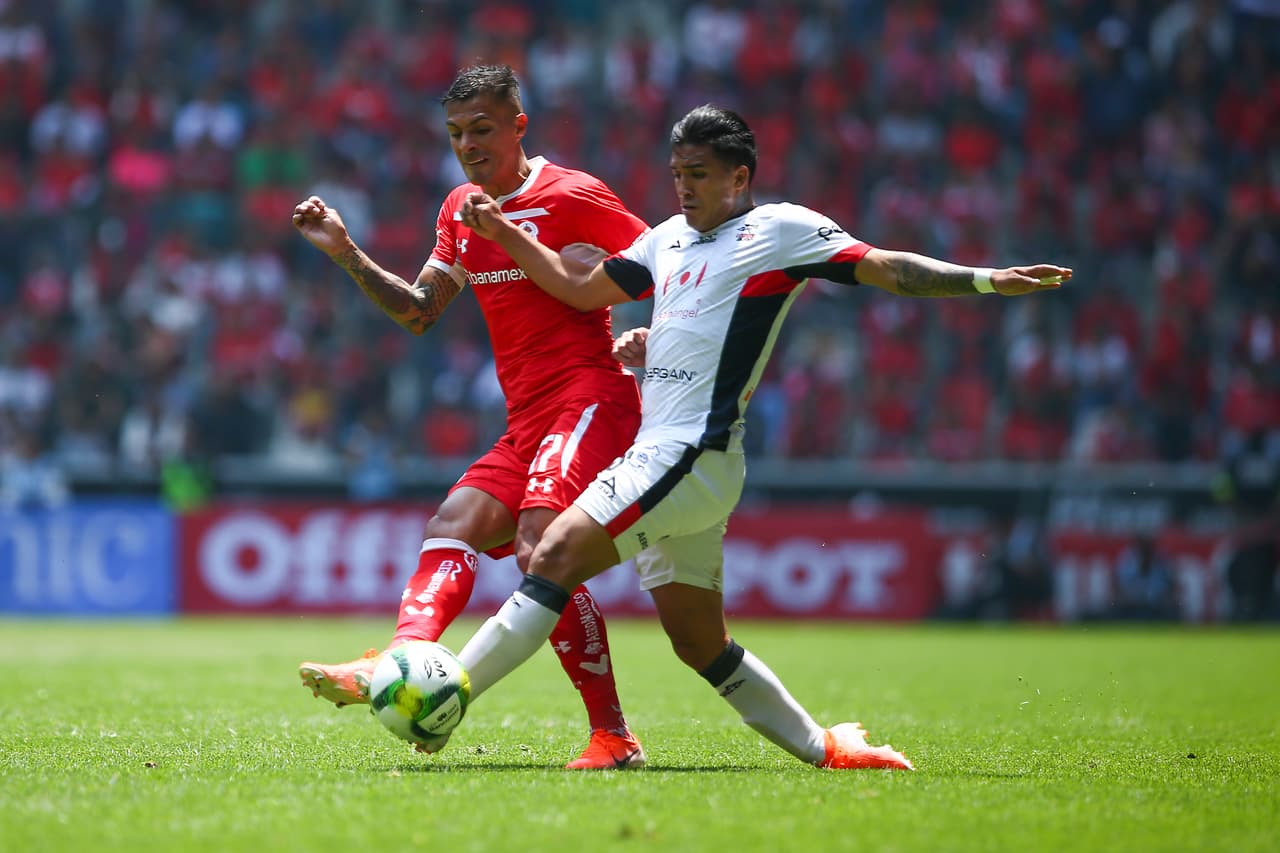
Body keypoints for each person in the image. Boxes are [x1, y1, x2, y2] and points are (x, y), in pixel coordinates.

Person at [447, 104, 1072, 770]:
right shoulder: (664, 240)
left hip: (691, 454)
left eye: (699, 174)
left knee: (552, 554)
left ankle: (442, 697)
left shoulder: (779, 231)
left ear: (739, 176)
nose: (683, 187)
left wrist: (984, 278)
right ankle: (827, 748)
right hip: (669, 456)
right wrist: (514, 237)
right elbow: (578, 286)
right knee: (698, 642)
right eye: (677, 173)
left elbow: (886, 266)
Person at [290, 65, 650, 769]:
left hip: (591, 397)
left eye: (482, 129)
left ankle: (611, 734)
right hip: (527, 417)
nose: (467, 145)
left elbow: (675, 261)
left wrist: (656, 345)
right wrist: (345, 250)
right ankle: (396, 661)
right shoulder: (459, 207)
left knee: (539, 542)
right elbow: (420, 312)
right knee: (451, 523)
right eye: (455, 133)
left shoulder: (573, 194)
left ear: (519, 124)